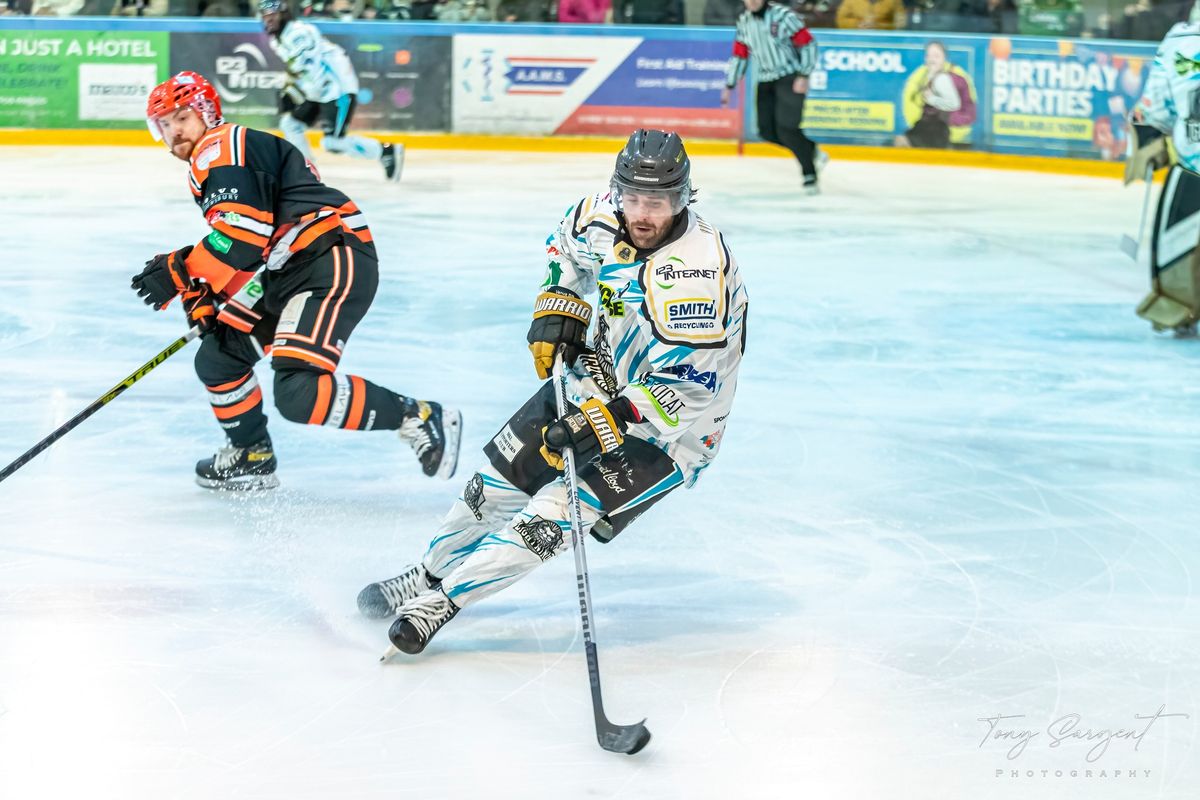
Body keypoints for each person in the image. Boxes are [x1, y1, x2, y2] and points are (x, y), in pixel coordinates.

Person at [357, 130, 748, 655]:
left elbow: (692, 386)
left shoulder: (696, 274)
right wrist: (561, 299)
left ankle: (441, 603)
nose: (642, 213)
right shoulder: (603, 211)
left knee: (549, 519)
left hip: (670, 433)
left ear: (682, 200)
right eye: (632, 198)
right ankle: (426, 574)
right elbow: (567, 246)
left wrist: (604, 420)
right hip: (594, 375)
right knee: (492, 485)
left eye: (656, 202)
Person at [132, 72, 462, 489]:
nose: (174, 131)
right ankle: (252, 454)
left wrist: (181, 269)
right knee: (219, 356)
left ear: (206, 112)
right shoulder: (223, 154)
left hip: (327, 257)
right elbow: (254, 241)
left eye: (181, 117)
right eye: (164, 124)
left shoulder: (220, 147)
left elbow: (243, 239)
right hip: (291, 264)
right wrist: (209, 292)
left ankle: (419, 416)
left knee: (297, 392)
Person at [259, 0, 404, 182]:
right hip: (318, 91)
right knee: (290, 124)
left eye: (273, 16)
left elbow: (314, 70)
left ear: (284, 15)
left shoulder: (299, 33)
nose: (269, 20)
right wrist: (289, 89)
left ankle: (386, 151)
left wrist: (296, 94)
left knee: (332, 142)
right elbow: (297, 71)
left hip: (338, 89)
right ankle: (306, 173)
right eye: (265, 16)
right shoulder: (278, 39)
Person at [1129, 21, 1200, 334]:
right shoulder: (1182, 40)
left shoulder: (1181, 40)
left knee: (1182, 259)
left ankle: (1181, 304)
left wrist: (1150, 136)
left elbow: (1154, 106)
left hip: (1193, 168)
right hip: (1192, 169)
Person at [720, 0, 825, 194]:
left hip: (790, 77)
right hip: (765, 80)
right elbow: (740, 55)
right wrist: (730, 84)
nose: (751, 1)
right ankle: (810, 149)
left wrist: (804, 74)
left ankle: (809, 174)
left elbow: (808, 43)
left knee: (787, 128)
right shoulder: (744, 21)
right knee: (766, 131)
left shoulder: (783, 16)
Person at [895, 41, 975, 149]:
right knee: (901, 142)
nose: (931, 60)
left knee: (901, 142)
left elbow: (954, 104)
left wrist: (932, 99)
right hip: (926, 127)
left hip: (935, 130)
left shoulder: (942, 79)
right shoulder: (929, 76)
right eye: (928, 56)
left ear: (944, 58)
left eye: (936, 56)